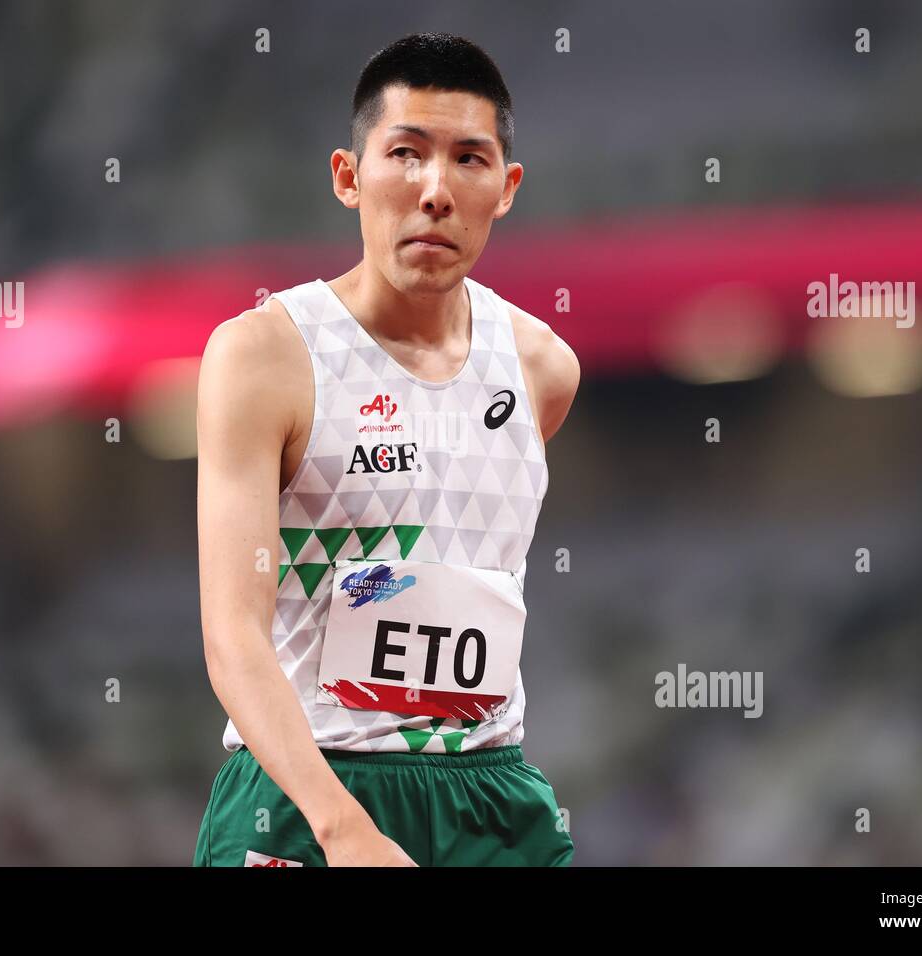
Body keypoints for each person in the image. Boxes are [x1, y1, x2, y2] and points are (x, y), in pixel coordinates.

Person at [194, 32, 580, 867]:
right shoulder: (265, 356)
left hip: (489, 793)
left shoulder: (544, 368)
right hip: (304, 800)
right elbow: (233, 637)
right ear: (348, 176)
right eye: (406, 153)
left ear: (506, 188)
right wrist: (343, 829)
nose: (435, 190)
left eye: (469, 160)